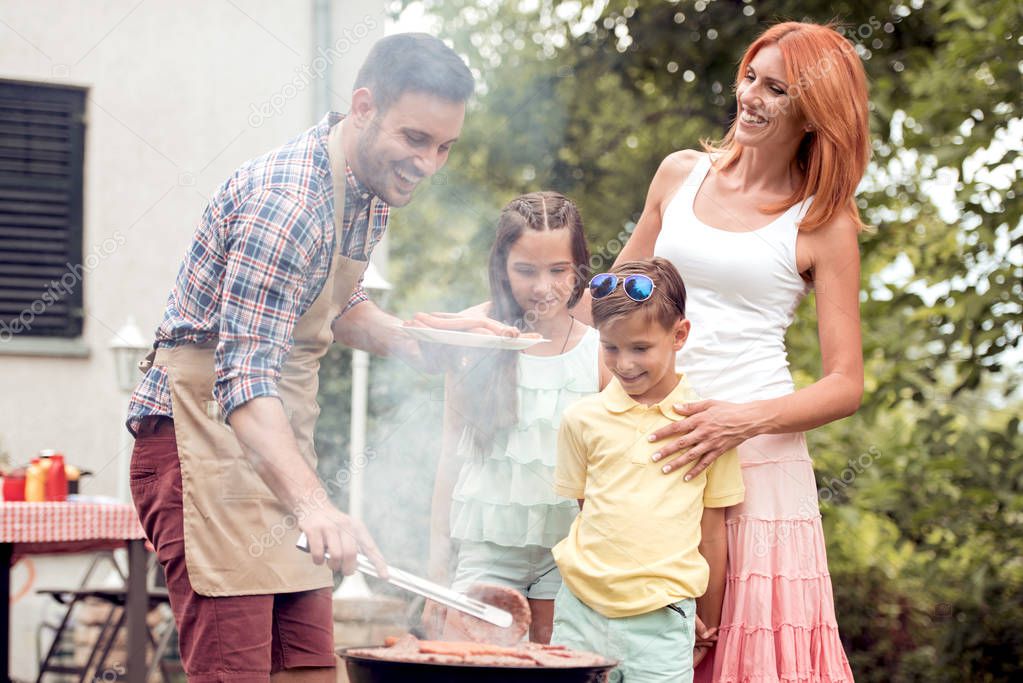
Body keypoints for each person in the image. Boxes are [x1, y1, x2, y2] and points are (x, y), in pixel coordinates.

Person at [125, 33, 473, 681]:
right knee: (237, 672)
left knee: (309, 668)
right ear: (363, 106)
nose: (428, 163)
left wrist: (426, 346)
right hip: (201, 445)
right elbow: (244, 380)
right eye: (415, 139)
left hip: (273, 452)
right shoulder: (287, 204)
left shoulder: (366, 188)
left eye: (443, 147)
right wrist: (316, 504)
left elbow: (338, 308)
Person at [594, 21, 867, 682]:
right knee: (646, 644)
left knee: (740, 650)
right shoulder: (679, 175)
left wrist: (740, 420)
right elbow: (611, 301)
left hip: (757, 462)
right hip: (659, 442)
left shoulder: (820, 221)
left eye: (775, 89)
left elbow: (845, 382)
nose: (750, 96)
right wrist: (513, 313)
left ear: (811, 113)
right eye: (750, 76)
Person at [422, 191, 608, 644]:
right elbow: (450, 456)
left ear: (579, 266)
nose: (542, 287)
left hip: (570, 556)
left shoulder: (601, 349)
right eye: (525, 270)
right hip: (487, 552)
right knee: (474, 672)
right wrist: (435, 575)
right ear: (502, 266)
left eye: (558, 270)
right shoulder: (476, 341)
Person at [551, 257, 746, 683]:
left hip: (662, 621)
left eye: (640, 348)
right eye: (610, 348)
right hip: (580, 610)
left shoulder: (708, 428)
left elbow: (713, 532)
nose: (623, 364)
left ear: (679, 335)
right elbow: (588, 507)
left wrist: (706, 621)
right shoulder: (582, 419)